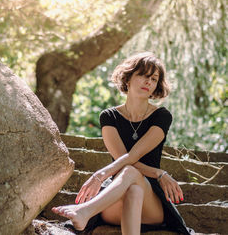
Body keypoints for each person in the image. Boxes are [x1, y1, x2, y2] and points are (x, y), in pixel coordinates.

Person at [52, 52, 194, 235]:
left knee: (132, 174)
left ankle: (85, 210)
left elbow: (132, 157)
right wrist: (158, 172)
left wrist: (100, 175)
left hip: (151, 202)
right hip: (115, 199)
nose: (148, 82)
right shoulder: (109, 117)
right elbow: (122, 159)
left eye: (154, 78)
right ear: (127, 79)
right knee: (131, 182)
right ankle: (86, 211)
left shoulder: (162, 116)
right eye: (143, 75)